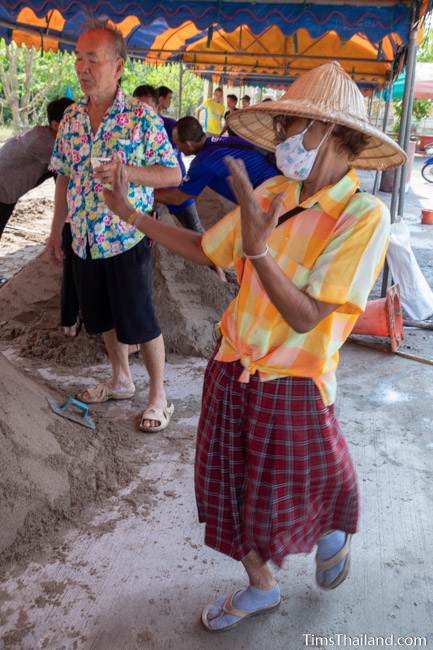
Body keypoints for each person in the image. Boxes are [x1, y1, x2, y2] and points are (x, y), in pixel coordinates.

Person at [102, 60, 405, 631]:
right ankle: (262, 586)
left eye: (298, 126)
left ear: (337, 136)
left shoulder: (363, 216)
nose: (289, 138)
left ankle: (331, 524)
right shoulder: (273, 190)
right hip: (231, 364)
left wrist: (261, 253)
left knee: (296, 483)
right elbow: (207, 248)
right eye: (287, 125)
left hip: (296, 381)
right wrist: (131, 214)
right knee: (228, 489)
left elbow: (305, 315)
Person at [47, 21, 181, 433]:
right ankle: (121, 379)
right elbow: (65, 177)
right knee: (101, 319)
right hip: (85, 238)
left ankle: (159, 395)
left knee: (139, 320)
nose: (82, 67)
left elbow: (172, 175)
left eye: (93, 59)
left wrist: (129, 172)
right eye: (78, 58)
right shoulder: (71, 118)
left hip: (125, 237)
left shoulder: (141, 118)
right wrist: (57, 231)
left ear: (118, 66)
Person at [154, 116, 279, 209]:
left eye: (176, 143)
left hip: (272, 198)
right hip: (277, 184)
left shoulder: (203, 162)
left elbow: (177, 198)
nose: (175, 147)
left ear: (188, 144)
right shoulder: (220, 141)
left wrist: (147, 193)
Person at [0, 97, 74, 241]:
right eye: (74, 122)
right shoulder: (45, 143)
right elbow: (75, 166)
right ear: (55, 125)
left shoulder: (48, 137)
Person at [133, 85, 205, 234]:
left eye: (147, 107)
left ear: (156, 105)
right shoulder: (129, 130)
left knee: (196, 229)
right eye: (137, 106)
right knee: (146, 232)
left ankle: (208, 255)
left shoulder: (170, 126)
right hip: (147, 190)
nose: (141, 112)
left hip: (174, 188)